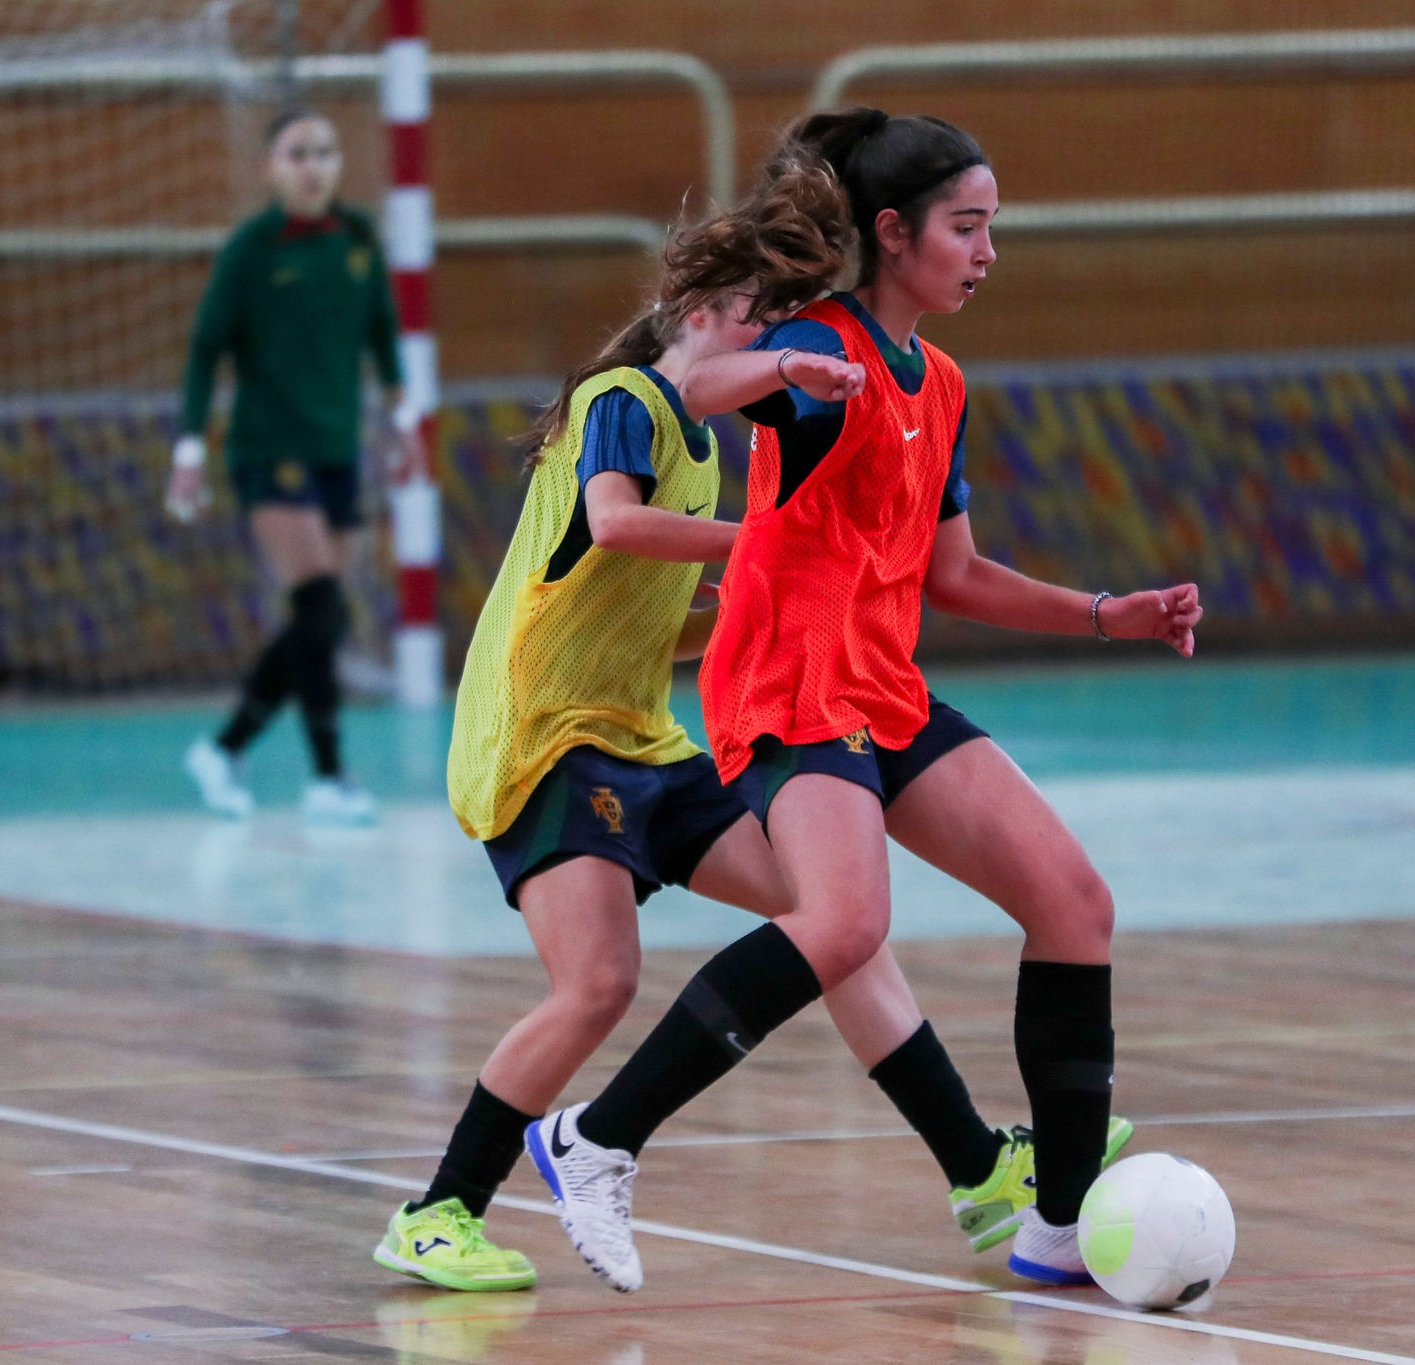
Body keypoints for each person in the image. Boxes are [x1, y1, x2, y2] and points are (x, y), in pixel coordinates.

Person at [372, 165, 1125, 1295]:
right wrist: (764, 549)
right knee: (597, 983)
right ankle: (438, 1211)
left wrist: (760, 607)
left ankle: (976, 1170)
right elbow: (617, 527)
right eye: (754, 321)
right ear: (693, 318)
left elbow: (653, 618)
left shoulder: (704, 442)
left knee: (830, 921)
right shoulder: (620, 402)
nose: (771, 340)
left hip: (639, 731)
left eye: (781, 324)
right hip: (542, 739)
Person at [527, 109, 1202, 1294]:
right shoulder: (821, 356)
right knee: (843, 925)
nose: (987, 252)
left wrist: (1110, 612)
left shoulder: (935, 380)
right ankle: (596, 1139)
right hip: (787, 682)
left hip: (883, 688)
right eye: (966, 227)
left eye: (993, 228)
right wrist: (784, 364)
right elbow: (694, 382)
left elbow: (958, 576)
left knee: (1075, 905)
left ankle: (1051, 1224)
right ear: (892, 234)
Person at [168, 108, 413, 826]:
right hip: (267, 449)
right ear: (270, 168)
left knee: (323, 618)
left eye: (326, 151)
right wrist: (189, 448)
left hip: (338, 448)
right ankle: (329, 777)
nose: (314, 164)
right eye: (298, 153)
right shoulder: (250, 250)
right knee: (321, 604)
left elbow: (383, 334)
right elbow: (204, 348)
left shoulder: (359, 238)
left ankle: (227, 748)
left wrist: (401, 422)